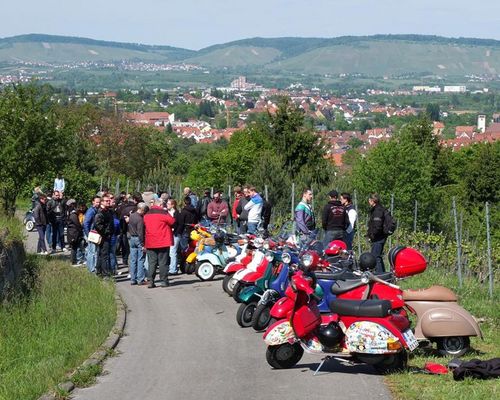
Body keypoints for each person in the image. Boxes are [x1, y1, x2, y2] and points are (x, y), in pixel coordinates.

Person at [143, 198, 176, 288]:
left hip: (150, 241)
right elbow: (173, 221)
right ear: (160, 205)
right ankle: (164, 281)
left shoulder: (147, 214)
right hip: (163, 240)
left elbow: (144, 224)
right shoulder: (163, 213)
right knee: (163, 262)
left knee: (152, 262)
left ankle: (150, 281)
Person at [94, 194, 115, 277]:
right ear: (102, 202)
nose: (108, 202)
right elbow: (97, 225)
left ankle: (99, 272)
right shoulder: (101, 212)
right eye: (106, 201)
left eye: (109, 200)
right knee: (104, 255)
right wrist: (106, 232)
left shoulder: (108, 211)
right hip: (104, 237)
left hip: (107, 236)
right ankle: (104, 274)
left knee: (101, 254)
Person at [367, 193, 388, 273]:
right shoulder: (379, 209)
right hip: (380, 236)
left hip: (378, 237)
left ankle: (380, 276)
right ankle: (383, 274)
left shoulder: (377, 211)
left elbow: (377, 226)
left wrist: (372, 235)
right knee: (377, 256)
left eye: (369, 200)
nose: (369, 202)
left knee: (375, 257)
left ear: (373, 201)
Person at [128, 202, 148, 285]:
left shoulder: (132, 216)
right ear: (142, 210)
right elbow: (140, 232)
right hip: (138, 239)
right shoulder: (140, 219)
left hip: (131, 237)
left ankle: (133, 279)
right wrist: (143, 244)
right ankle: (140, 279)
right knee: (140, 259)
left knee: (133, 260)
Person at [83, 196, 101, 273]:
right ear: (93, 202)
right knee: (92, 252)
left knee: (93, 252)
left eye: (99, 202)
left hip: (94, 233)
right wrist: (88, 234)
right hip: (92, 233)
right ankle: (91, 269)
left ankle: (91, 268)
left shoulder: (96, 210)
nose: (98, 203)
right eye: (97, 202)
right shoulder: (91, 211)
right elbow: (86, 223)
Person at [66, 199, 83, 266]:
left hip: (73, 233)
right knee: (74, 248)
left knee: (74, 247)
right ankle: (73, 262)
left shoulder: (72, 214)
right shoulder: (73, 215)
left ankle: (74, 261)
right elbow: (77, 224)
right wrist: (81, 229)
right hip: (73, 233)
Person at [167, 199, 180, 275]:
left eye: (169, 204)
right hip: (168, 234)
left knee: (172, 252)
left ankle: (173, 269)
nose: (167, 205)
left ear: (173, 205)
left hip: (175, 234)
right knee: (170, 252)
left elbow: (180, 224)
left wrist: (175, 231)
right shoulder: (166, 213)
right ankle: (171, 266)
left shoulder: (177, 213)